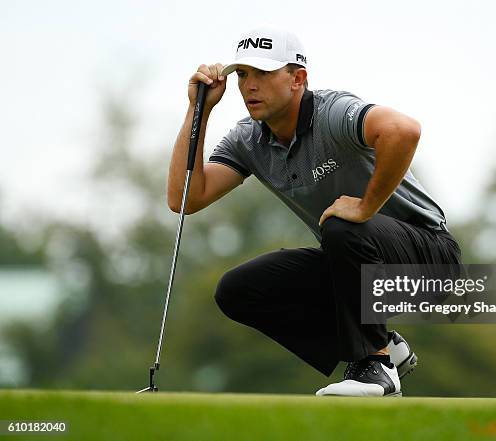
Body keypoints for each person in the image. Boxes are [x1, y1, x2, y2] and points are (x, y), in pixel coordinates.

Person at [167, 27, 462, 397]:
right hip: (351, 262)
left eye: (263, 73)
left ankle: (375, 366)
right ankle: (385, 347)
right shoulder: (248, 139)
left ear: (298, 79)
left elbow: (404, 130)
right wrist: (198, 111)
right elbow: (185, 198)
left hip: (429, 259)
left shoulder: (332, 112)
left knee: (341, 226)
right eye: (242, 74)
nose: (249, 86)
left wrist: (366, 205)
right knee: (238, 290)